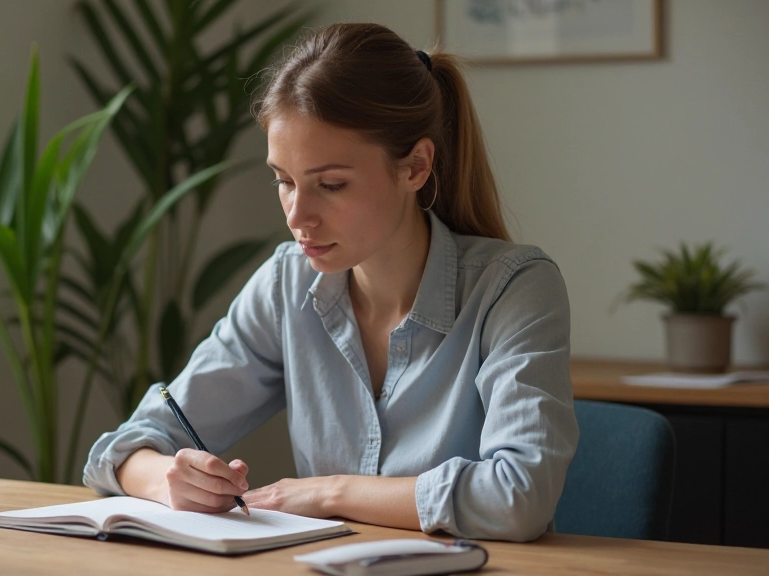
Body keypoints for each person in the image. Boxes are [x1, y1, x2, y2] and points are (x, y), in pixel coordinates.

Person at [83, 22, 578, 542]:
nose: (299, 216)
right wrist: (167, 479)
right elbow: (125, 445)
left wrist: (327, 493)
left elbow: (519, 497)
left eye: (331, 184)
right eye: (283, 181)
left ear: (415, 166)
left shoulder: (515, 288)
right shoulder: (285, 284)